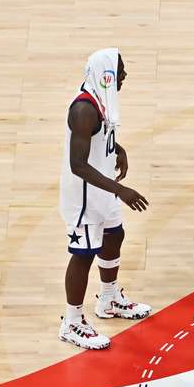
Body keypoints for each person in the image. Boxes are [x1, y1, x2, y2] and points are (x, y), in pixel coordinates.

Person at [59, 48, 151, 350]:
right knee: (84, 254)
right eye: (120, 71)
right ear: (106, 75)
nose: (123, 76)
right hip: (85, 195)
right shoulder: (83, 109)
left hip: (103, 187)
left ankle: (109, 300)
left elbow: (102, 135)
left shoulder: (101, 98)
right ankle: (71, 322)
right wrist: (120, 190)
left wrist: (118, 149)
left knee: (115, 234)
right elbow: (78, 163)